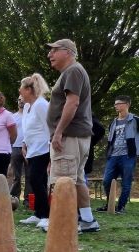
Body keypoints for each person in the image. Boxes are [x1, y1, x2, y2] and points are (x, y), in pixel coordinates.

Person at [45, 38, 99, 232]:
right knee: (76, 179)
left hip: (69, 136)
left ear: (68, 52)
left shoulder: (73, 70)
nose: (50, 54)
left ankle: (62, 223)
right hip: (78, 136)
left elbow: (72, 103)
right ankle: (87, 220)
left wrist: (58, 132)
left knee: (62, 181)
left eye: (54, 50)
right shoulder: (75, 71)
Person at [18, 73, 51, 227]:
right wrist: (24, 143)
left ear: (29, 89)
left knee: (37, 180)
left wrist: (52, 152)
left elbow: (50, 128)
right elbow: (27, 128)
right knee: (35, 180)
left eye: (21, 88)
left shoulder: (41, 105)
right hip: (32, 149)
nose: (19, 91)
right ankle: (38, 213)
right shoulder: (26, 107)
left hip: (43, 149)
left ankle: (46, 215)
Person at [97, 95, 136, 214]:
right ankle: (110, 205)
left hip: (128, 156)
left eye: (119, 103)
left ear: (127, 104)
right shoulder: (113, 122)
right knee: (107, 180)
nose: (116, 106)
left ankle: (121, 206)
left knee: (126, 182)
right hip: (113, 156)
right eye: (115, 104)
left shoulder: (135, 120)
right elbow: (110, 140)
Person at [8, 96, 31, 205]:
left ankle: (28, 199)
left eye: (23, 99)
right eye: (19, 99)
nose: (21, 101)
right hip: (15, 147)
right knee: (16, 175)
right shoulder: (13, 117)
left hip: (30, 147)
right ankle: (14, 198)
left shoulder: (31, 116)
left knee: (29, 174)